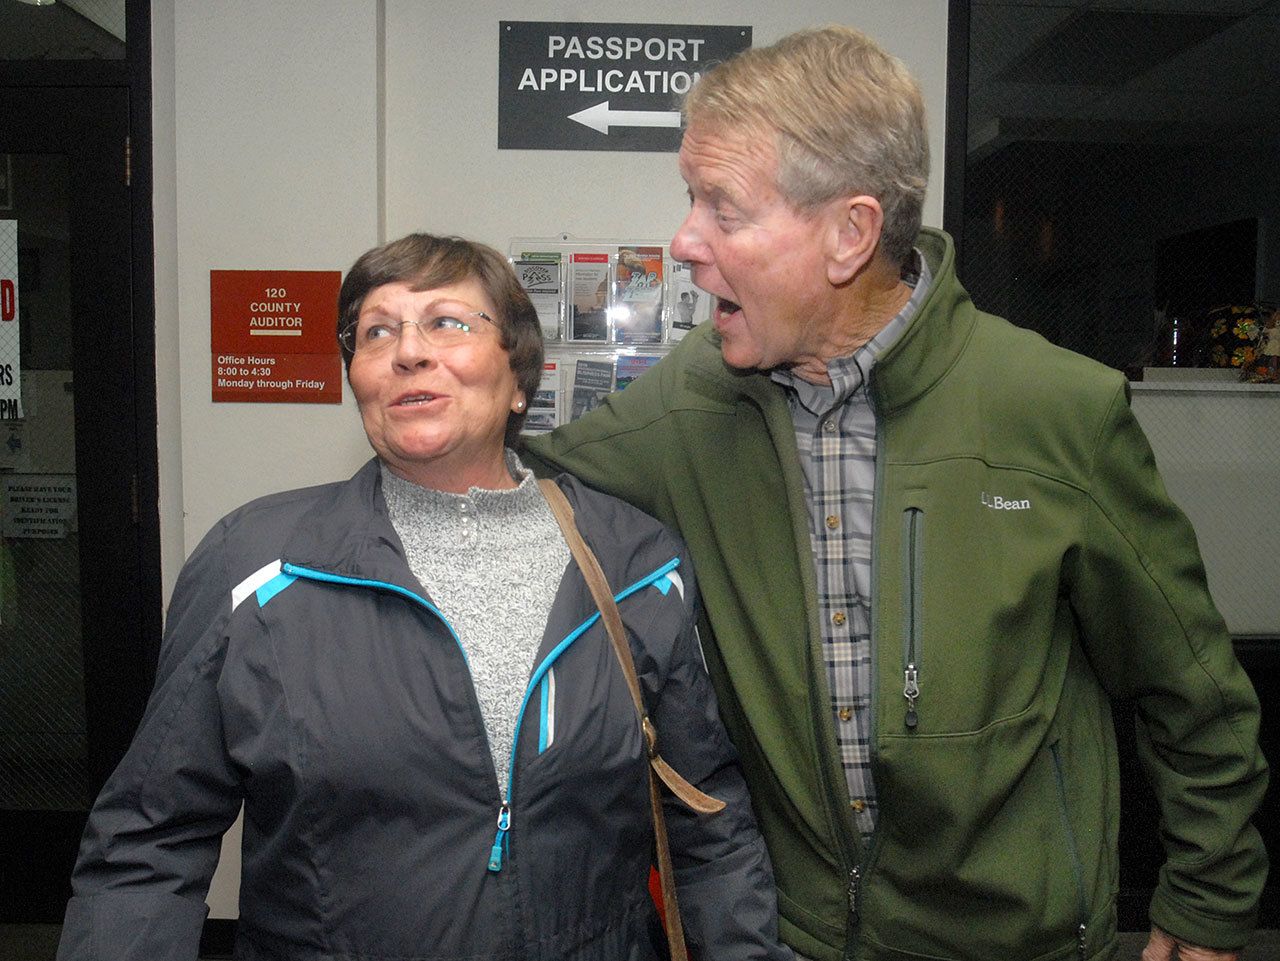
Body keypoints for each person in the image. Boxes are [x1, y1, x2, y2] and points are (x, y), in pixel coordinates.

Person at [523, 25, 1269, 961]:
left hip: (1014, 941)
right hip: (792, 939)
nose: (685, 242)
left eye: (724, 209)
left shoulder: (1055, 409)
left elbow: (1190, 687)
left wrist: (1208, 900)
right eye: (691, 200)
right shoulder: (692, 401)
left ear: (850, 234)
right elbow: (517, 476)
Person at [56, 234, 793, 961]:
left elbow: (707, 820)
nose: (407, 350)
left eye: (446, 322)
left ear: (518, 378)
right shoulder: (256, 566)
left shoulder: (635, 563)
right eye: (376, 332)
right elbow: (149, 840)